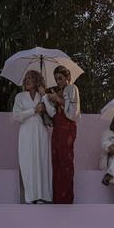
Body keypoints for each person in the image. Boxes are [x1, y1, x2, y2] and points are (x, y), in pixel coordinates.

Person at [12, 70, 52, 204]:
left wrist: (44, 95)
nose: (27, 80)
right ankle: (31, 197)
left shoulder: (43, 96)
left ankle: (44, 196)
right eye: (26, 78)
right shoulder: (20, 96)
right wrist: (34, 110)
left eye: (31, 78)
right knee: (28, 162)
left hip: (41, 131)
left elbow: (52, 113)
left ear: (37, 81)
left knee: (42, 162)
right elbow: (16, 116)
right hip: (26, 132)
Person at [44, 65, 80, 204]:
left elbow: (73, 112)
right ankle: (58, 198)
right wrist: (48, 97)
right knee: (56, 161)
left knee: (66, 161)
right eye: (56, 79)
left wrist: (58, 99)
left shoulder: (72, 88)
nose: (58, 81)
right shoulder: (59, 91)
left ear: (68, 78)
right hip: (58, 128)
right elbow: (53, 114)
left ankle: (66, 198)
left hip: (67, 128)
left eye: (60, 78)